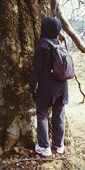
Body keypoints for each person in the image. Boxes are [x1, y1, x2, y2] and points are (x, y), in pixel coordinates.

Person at [29, 17, 68, 156]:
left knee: (42, 113)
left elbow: (37, 69)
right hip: (62, 86)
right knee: (58, 114)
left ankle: (44, 147)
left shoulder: (41, 45)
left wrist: (31, 86)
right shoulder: (60, 44)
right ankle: (59, 146)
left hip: (47, 87)